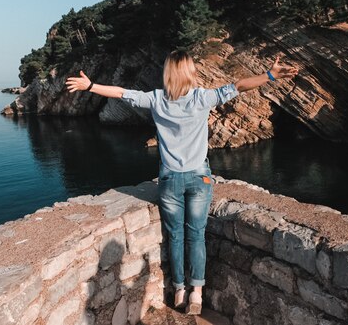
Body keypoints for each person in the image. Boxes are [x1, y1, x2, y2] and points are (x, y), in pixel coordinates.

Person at [66, 50, 298, 315]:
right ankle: (196, 294)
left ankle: (179, 290)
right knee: (196, 236)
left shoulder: (156, 99)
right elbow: (240, 86)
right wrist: (269, 75)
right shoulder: (202, 98)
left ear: (168, 73)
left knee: (175, 236)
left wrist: (91, 86)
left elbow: (120, 92)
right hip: (200, 177)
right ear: (190, 72)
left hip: (169, 179)